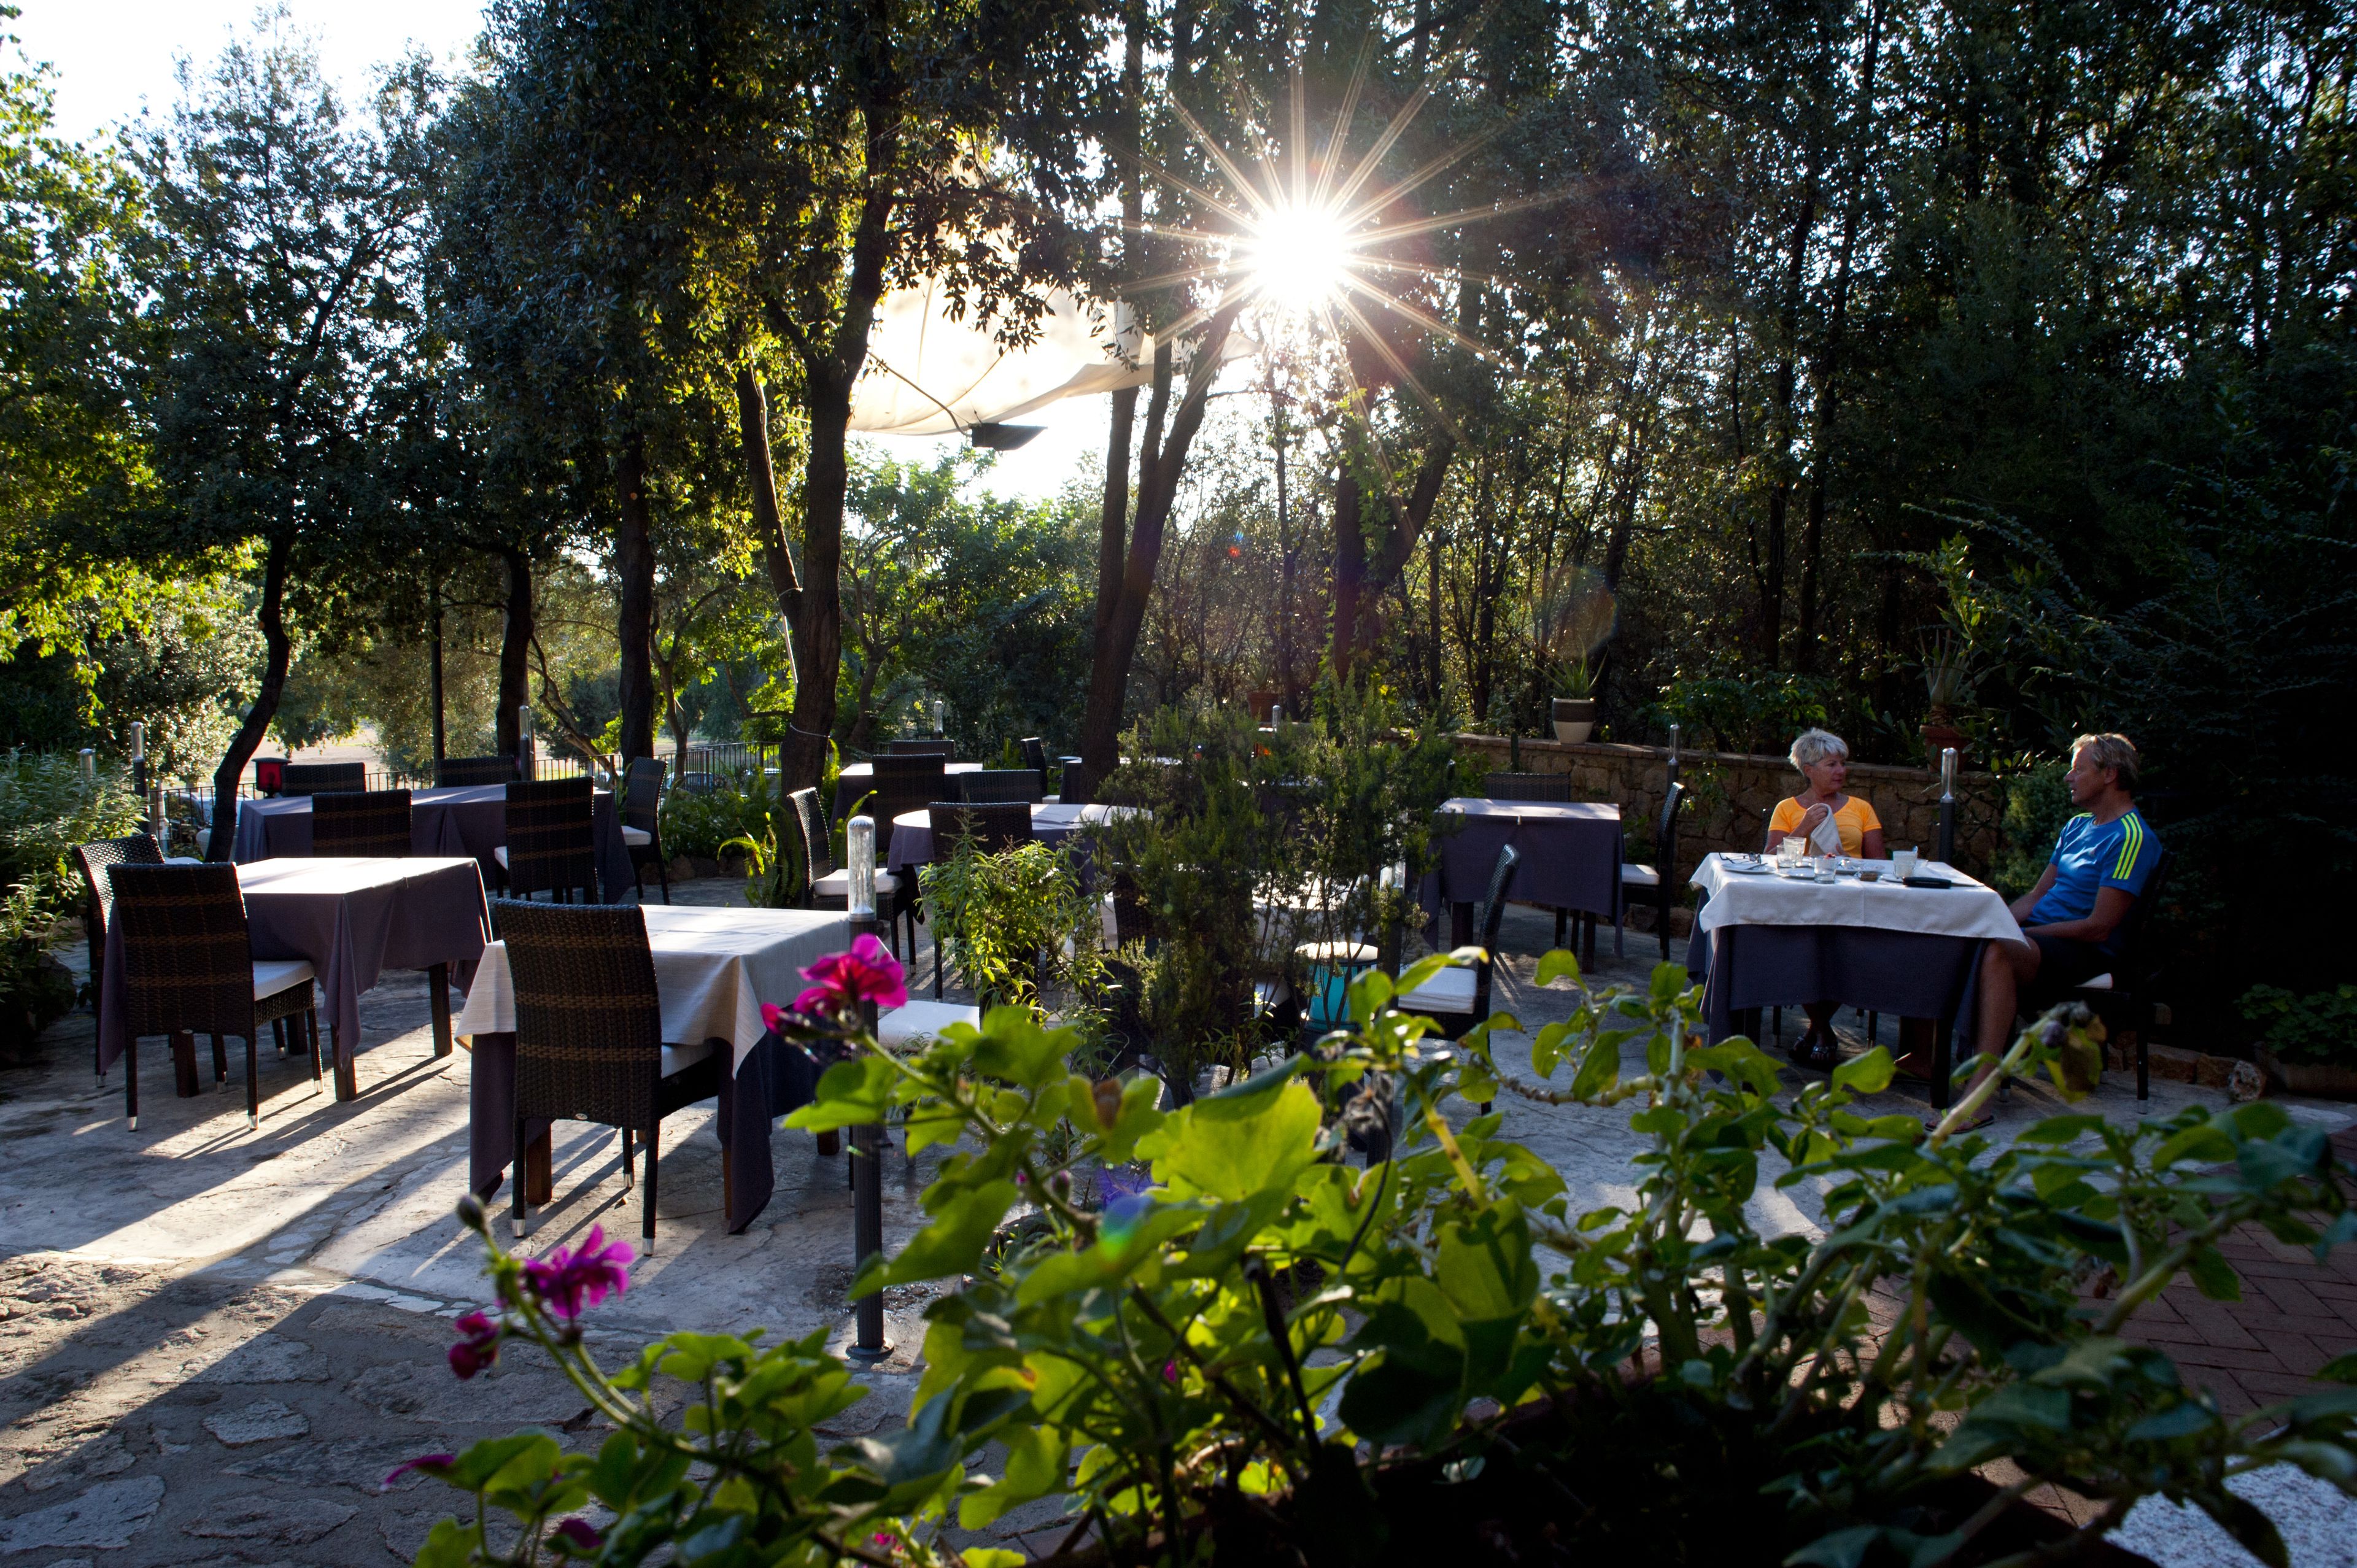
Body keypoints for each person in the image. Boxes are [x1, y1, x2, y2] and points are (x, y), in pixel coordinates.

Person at [1965, 732, 2161, 1117]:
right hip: (2043, 940)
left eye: (2077, 770)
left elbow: (2099, 927)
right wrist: (1993, 920)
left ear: (2109, 775)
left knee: (2001, 951)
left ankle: (1980, 1098)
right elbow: (2037, 897)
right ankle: (1926, 1060)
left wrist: (2020, 935)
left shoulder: (2132, 837)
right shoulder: (2076, 827)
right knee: (1961, 938)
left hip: (2089, 951)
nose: (2069, 778)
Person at [1763, 728, 1886, 1066]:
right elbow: (1769, 858)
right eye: (1832, 764)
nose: (1841, 771)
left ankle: (1815, 1031)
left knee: (1842, 952)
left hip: (1850, 901)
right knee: (1804, 950)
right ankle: (1824, 1031)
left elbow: (1878, 863)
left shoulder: (1861, 808)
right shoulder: (1787, 809)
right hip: (1802, 901)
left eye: (1843, 764)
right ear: (1808, 769)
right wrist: (1802, 828)